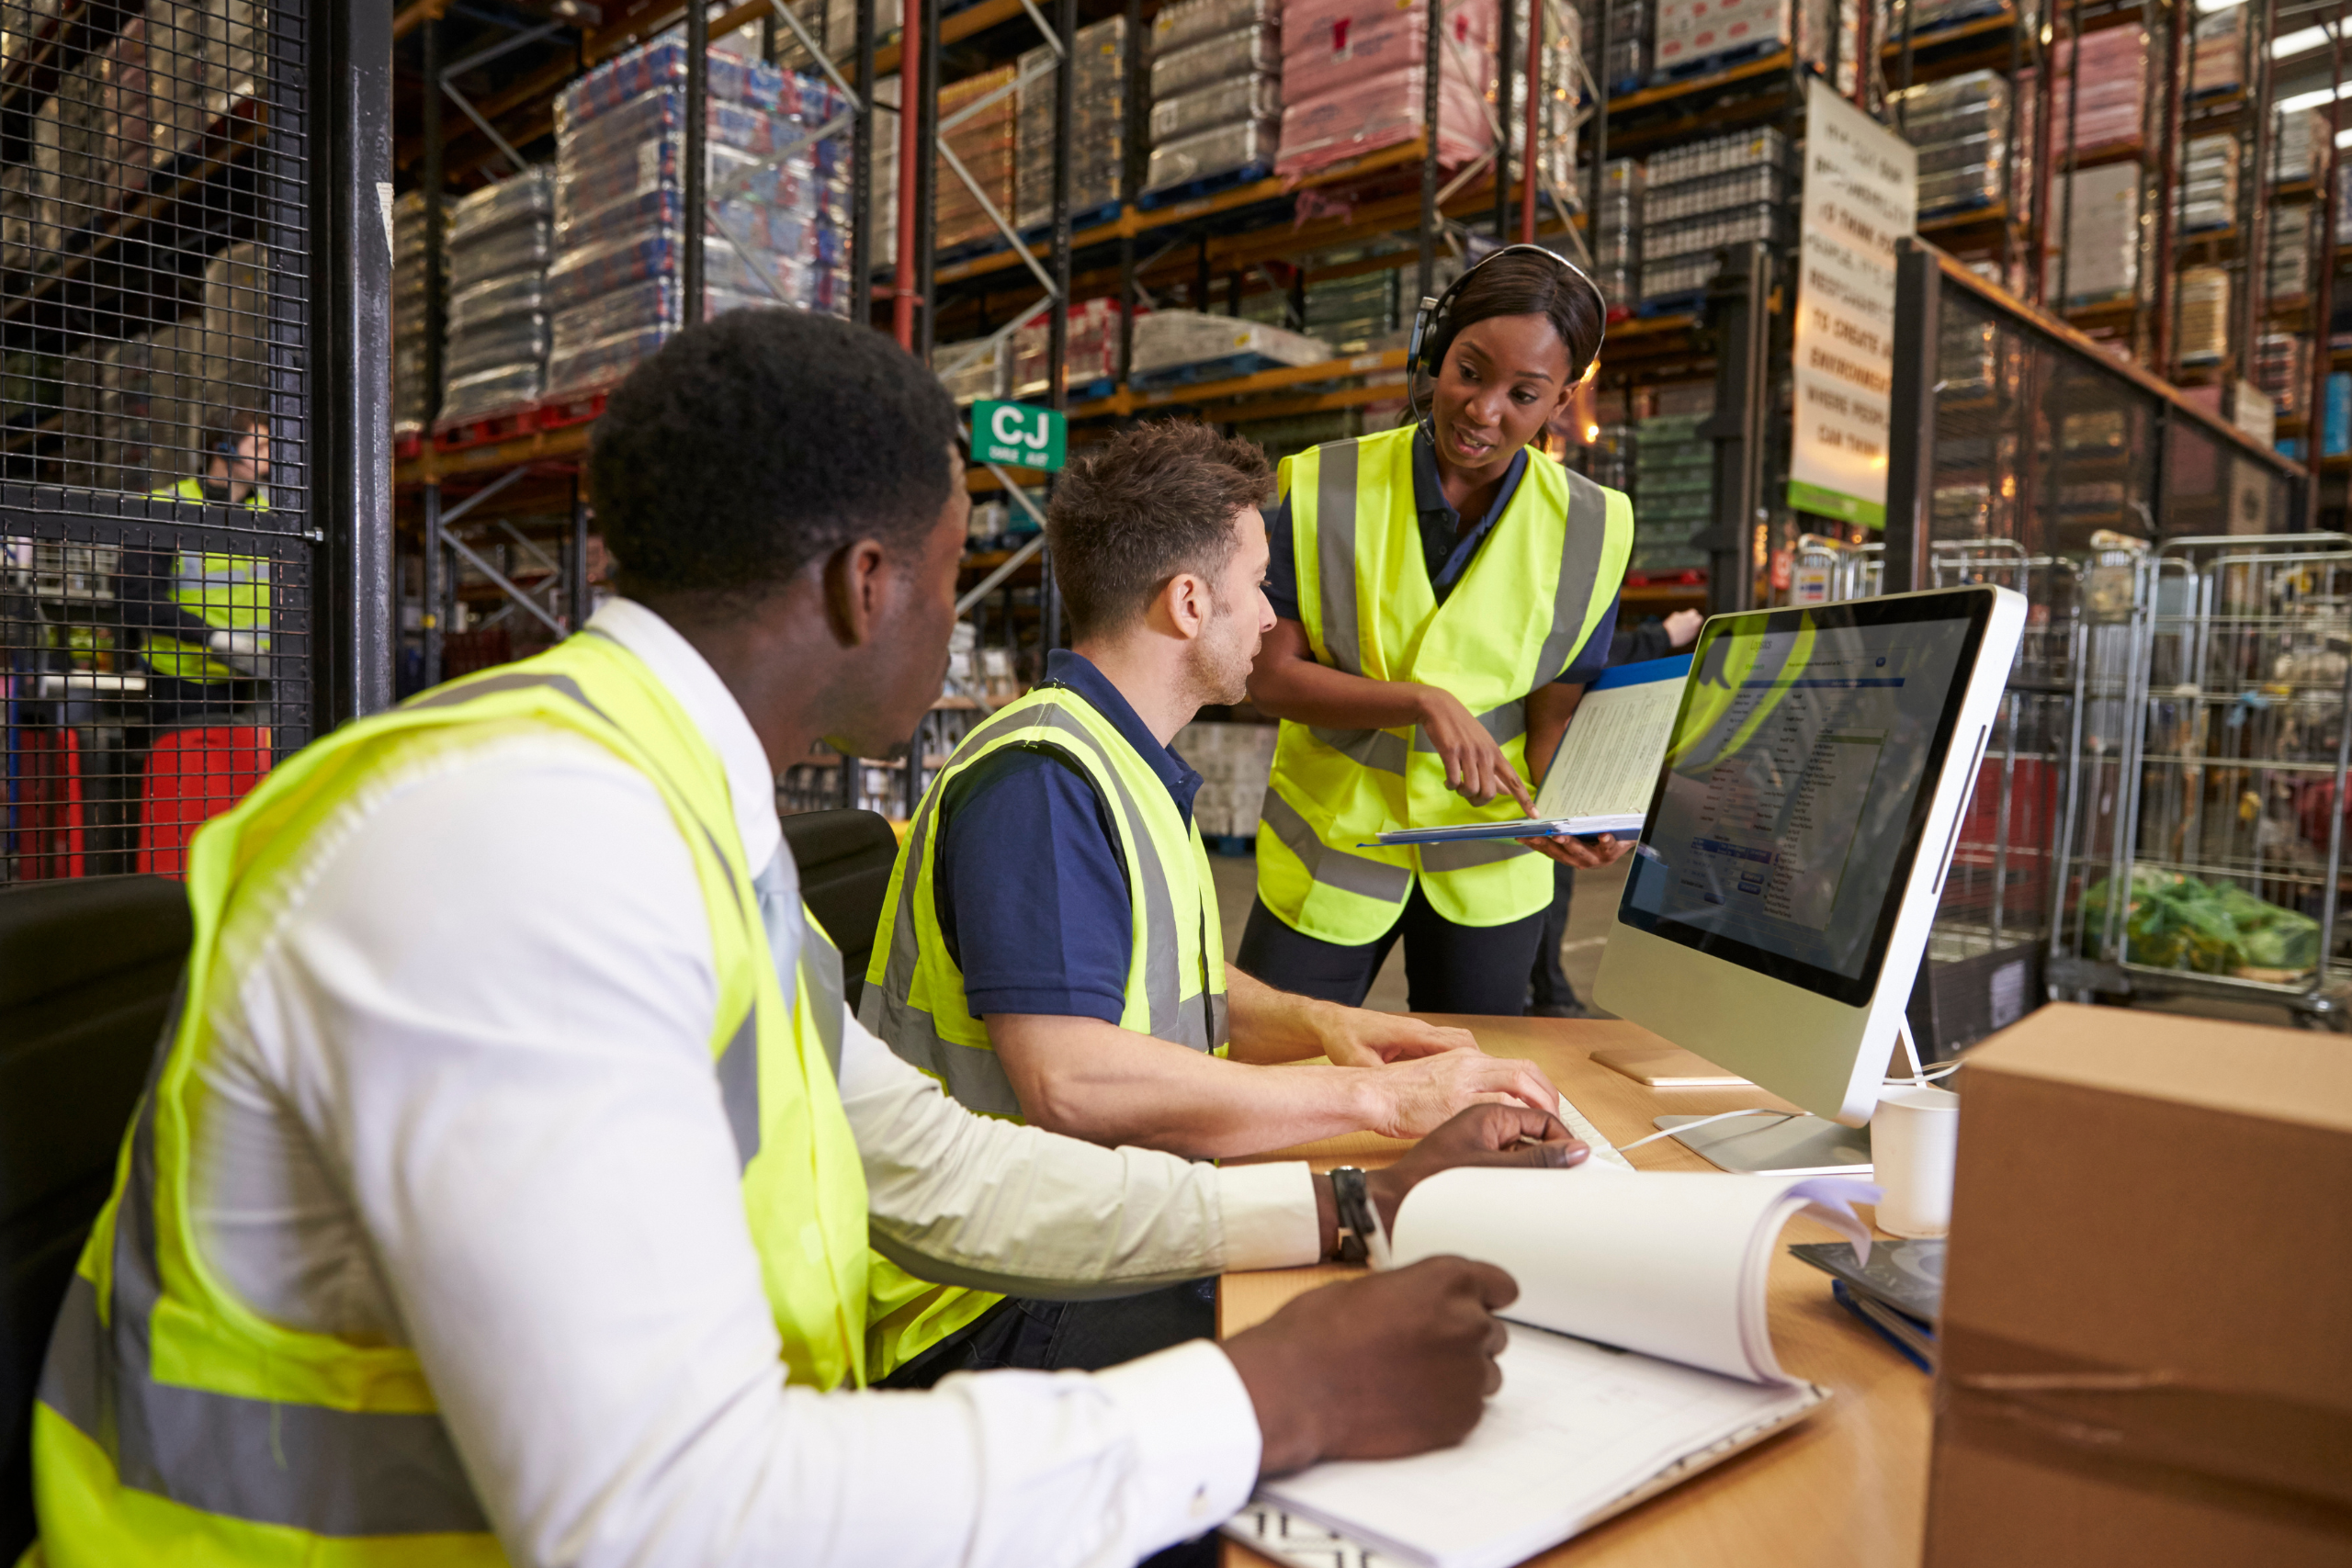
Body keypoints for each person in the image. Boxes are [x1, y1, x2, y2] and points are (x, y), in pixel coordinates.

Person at [25, 309, 1590, 1568]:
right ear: (866, 584)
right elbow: (661, 1514)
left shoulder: (668, 806)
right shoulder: (520, 839)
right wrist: (1267, 1398)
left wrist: (1342, 1204)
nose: (967, 611)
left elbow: (934, 1169)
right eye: (953, 565)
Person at [860, 419, 1566, 1379]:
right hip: (995, 1302)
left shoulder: (1115, 760)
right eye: (1257, 586)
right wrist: (1378, 1100)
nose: (1272, 617)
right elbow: (1073, 1081)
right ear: (1189, 603)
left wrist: (1325, 1026)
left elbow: (1172, 980)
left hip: (1091, 1237)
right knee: (1431, 1318)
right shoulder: (1041, 783)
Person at [1238, 247, 1638, 1014]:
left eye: (1523, 393)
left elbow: (1553, 719)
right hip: (1332, 848)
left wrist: (1577, 812)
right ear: (1434, 354)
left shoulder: (1595, 527)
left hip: (1489, 863)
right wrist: (1418, 701)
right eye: (1469, 372)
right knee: (1268, 1064)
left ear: (1560, 402)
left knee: (1475, 1093)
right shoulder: (1324, 483)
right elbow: (1269, 678)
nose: (1485, 410)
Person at [1526, 604, 1705, 1018]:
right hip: (1526, 794)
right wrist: (1659, 636)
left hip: (1539, 793)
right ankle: (1551, 992)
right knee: (1553, 882)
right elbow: (1587, 653)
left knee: (1553, 883)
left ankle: (1551, 989)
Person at [114, 409, 275, 725]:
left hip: (262, 681)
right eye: (259, 448)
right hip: (185, 683)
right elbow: (133, 595)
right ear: (223, 451)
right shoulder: (166, 507)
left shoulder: (274, 514)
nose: (271, 457)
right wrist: (212, 638)